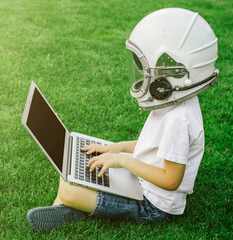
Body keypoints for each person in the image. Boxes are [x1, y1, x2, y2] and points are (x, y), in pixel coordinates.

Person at [27, 8, 219, 232]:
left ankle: (70, 206)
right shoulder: (175, 102)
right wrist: (116, 149)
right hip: (140, 180)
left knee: (68, 187)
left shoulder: (178, 119)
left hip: (153, 205)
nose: (148, 78)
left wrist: (123, 161)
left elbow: (171, 180)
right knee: (70, 170)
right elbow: (157, 148)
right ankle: (75, 205)